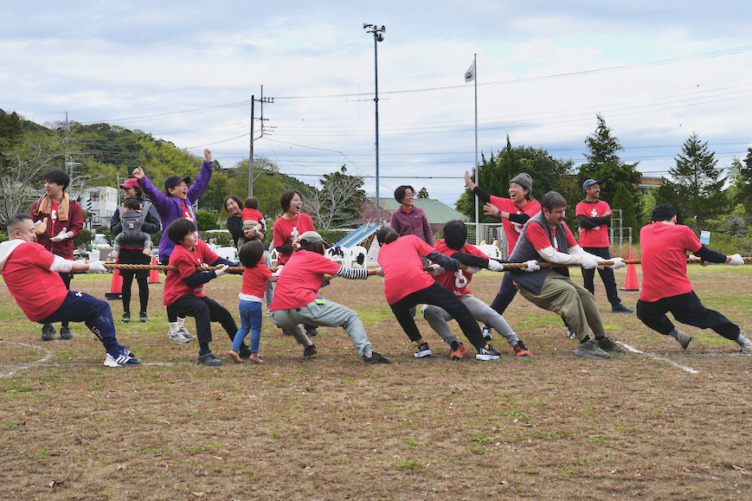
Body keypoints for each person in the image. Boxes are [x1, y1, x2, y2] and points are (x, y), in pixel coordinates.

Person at [0, 214, 140, 367]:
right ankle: (114, 354)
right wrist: (89, 267)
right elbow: (61, 264)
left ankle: (116, 348)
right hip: (53, 301)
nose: (35, 235)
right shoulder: (27, 248)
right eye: (31, 231)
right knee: (100, 307)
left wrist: (83, 263)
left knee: (91, 312)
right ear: (17, 234)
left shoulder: (5, 254)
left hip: (36, 311)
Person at [507, 191, 626, 360]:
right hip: (529, 279)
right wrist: (581, 260)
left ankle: (601, 339)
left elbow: (577, 250)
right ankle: (585, 343)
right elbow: (551, 256)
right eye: (558, 212)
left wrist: (607, 262)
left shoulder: (561, 226)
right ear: (546, 211)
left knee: (585, 295)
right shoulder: (535, 225)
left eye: (564, 211)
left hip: (551, 274)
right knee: (568, 293)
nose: (563, 215)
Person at [636, 204, 751, 354]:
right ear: (674, 218)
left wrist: (696, 258)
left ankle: (677, 335)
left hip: (651, 294)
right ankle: (744, 342)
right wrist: (729, 259)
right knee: (706, 317)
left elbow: (669, 251)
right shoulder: (682, 230)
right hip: (678, 292)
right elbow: (705, 253)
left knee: (644, 313)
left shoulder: (644, 231)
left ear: (653, 221)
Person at [376, 226, 501, 361]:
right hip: (420, 283)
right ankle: (482, 347)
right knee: (458, 308)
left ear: (381, 244)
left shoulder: (381, 254)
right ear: (398, 235)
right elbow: (438, 257)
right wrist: (462, 266)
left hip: (394, 294)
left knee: (402, 314)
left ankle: (421, 345)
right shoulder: (410, 239)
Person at [270, 231, 390, 364]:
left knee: (292, 319)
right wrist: (375, 271)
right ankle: (368, 353)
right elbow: (348, 272)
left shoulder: (295, 257)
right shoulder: (314, 257)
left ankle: (308, 346)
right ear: (316, 245)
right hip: (302, 305)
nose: (325, 248)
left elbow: (304, 283)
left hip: (279, 314)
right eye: (322, 245)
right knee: (350, 317)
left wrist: (327, 279)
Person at [132, 148, 214, 344]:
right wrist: (143, 180)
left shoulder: (189, 201)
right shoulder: (167, 204)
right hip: (171, 254)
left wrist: (207, 164)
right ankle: (173, 330)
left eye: (186, 184)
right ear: (171, 190)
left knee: (189, 290)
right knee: (177, 291)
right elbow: (153, 193)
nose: (186, 187)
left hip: (192, 253)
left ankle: (180, 327)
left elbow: (200, 183)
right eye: (181, 185)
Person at [422, 220, 531, 358]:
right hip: (442, 300)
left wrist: (521, 265)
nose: (458, 247)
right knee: (428, 310)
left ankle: (516, 343)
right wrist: (483, 262)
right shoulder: (440, 246)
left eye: (460, 244)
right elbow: (458, 257)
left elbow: (494, 263)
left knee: (490, 314)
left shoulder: (470, 249)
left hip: (462, 296)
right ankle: (454, 343)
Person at [464, 171, 542, 340]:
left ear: (526, 191)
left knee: (555, 292)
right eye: (510, 186)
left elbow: (525, 220)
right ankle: (487, 326)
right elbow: (485, 195)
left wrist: (499, 213)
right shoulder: (506, 203)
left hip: (537, 258)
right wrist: (470, 184)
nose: (511, 189)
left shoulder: (535, 206)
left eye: (516, 187)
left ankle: (571, 326)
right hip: (515, 259)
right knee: (505, 294)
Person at [163, 218, 248, 367]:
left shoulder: (199, 245)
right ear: (180, 240)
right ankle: (204, 354)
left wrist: (241, 270)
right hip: (177, 296)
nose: (195, 235)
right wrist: (215, 274)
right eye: (189, 233)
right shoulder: (180, 254)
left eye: (194, 230)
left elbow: (216, 260)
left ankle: (242, 349)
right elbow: (191, 280)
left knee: (224, 314)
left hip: (194, 295)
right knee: (201, 309)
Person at [29, 169, 84, 341]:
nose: (46, 185)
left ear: (61, 185)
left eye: (50, 182)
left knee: (63, 292)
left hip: (63, 255)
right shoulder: (38, 205)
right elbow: (29, 224)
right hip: (42, 255)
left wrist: (65, 236)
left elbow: (77, 227)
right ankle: (47, 326)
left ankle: (65, 326)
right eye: (45, 181)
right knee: (43, 293)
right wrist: (35, 229)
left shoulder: (73, 205)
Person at [575, 179, 633, 313]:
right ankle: (590, 306)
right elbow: (582, 223)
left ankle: (616, 304)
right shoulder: (580, 205)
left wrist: (592, 219)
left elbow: (608, 220)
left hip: (602, 245)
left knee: (608, 276)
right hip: (586, 246)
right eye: (594, 187)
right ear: (587, 190)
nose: (598, 189)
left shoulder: (604, 204)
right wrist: (600, 220)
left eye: (598, 187)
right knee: (588, 278)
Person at [110, 177, 161, 323]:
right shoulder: (120, 208)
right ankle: (126, 313)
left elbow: (156, 227)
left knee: (142, 281)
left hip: (142, 251)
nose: (125, 191)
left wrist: (140, 224)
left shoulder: (148, 207)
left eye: (128, 188)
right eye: (124, 189)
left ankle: (143, 312)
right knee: (126, 282)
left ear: (137, 190)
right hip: (125, 251)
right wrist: (124, 224)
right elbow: (113, 230)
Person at [272, 189, 318, 337]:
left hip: (305, 261)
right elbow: (278, 246)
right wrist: (290, 247)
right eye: (295, 200)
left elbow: (314, 237)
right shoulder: (279, 223)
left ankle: (310, 326)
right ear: (287, 203)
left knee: (308, 291)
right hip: (287, 262)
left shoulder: (306, 219)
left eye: (300, 200)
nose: (299, 203)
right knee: (289, 294)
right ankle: (288, 324)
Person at [225, 194, 274, 311]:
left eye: (232, 203)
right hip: (245, 252)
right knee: (248, 280)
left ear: (238, 203)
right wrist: (253, 232)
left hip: (261, 249)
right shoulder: (231, 221)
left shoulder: (250, 213)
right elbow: (237, 232)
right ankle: (249, 307)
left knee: (268, 277)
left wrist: (256, 230)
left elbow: (262, 225)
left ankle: (271, 307)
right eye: (228, 205)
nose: (231, 206)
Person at [230, 240, 275, 364]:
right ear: (258, 257)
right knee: (256, 329)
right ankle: (254, 354)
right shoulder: (262, 268)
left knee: (244, 328)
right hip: (254, 304)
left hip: (243, 302)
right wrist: (284, 271)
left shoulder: (247, 268)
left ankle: (234, 350)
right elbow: (273, 278)